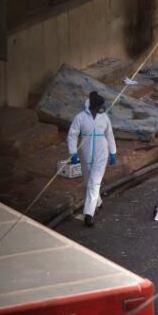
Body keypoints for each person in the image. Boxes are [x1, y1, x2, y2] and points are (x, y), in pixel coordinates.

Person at [67, 91, 117, 227]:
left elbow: (110, 135)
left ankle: (88, 214)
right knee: (89, 181)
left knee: (94, 183)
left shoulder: (104, 117)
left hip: (102, 154)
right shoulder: (80, 118)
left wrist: (113, 152)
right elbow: (72, 135)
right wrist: (73, 152)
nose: (102, 109)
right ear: (93, 107)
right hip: (85, 155)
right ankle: (98, 202)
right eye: (100, 107)